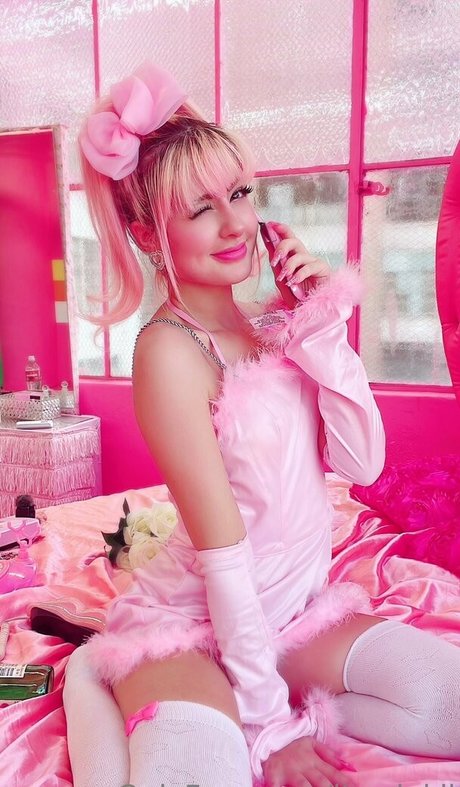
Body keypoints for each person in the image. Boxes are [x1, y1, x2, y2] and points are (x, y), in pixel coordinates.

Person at [63, 62, 460, 787]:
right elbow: (225, 557)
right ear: (148, 234)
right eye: (201, 208)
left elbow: (363, 464)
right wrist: (268, 727)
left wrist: (320, 324)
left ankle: (262, 695)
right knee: (201, 772)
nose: (236, 223)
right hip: (190, 622)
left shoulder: (278, 326)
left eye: (240, 193)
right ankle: (98, 674)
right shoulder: (169, 352)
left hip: (290, 614)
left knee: (450, 700)